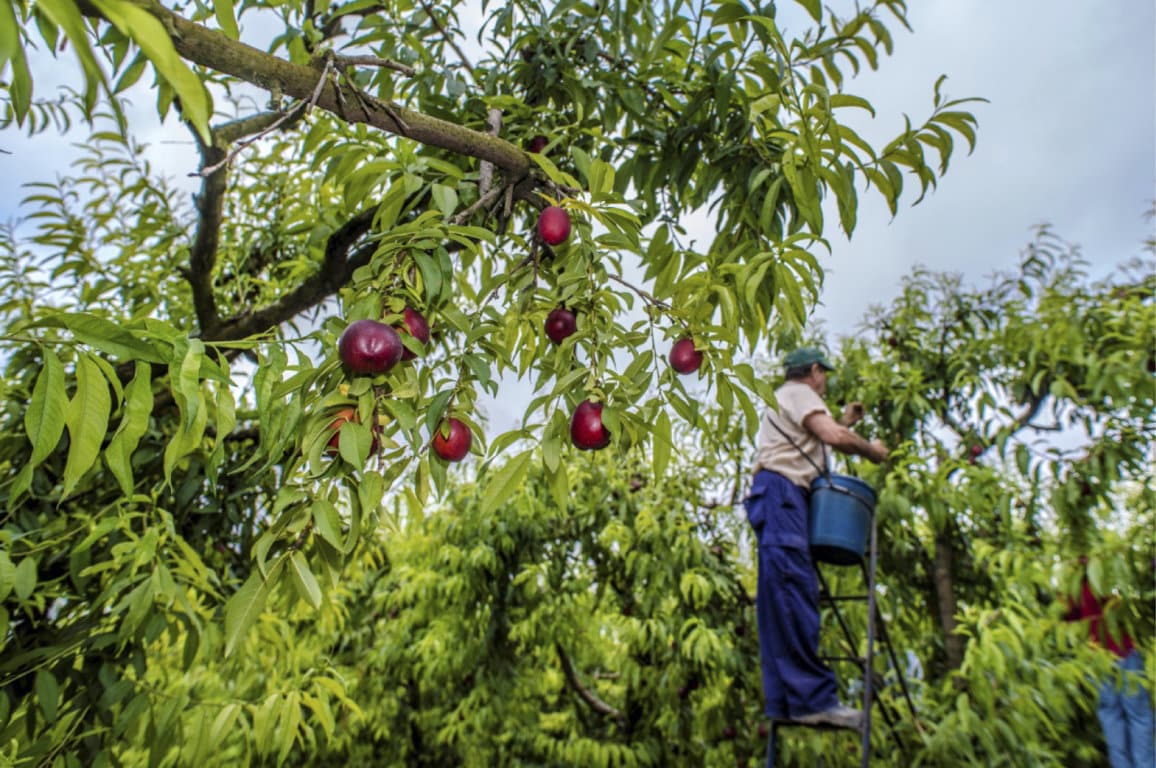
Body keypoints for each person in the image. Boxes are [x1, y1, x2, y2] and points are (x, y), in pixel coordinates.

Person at [744, 347, 889, 729]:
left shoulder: (786, 400)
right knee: (794, 594)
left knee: (782, 599)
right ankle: (812, 699)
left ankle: (789, 701)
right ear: (812, 371)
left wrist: (844, 420)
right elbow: (833, 436)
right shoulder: (798, 392)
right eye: (823, 375)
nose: (824, 383)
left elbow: (818, 437)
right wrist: (871, 451)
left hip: (778, 497)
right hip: (783, 496)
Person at [1065, 566, 1155, 768]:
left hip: (1100, 658)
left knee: (1113, 717)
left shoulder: (1075, 582)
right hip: (1121, 653)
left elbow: (1070, 619)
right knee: (1136, 716)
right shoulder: (1107, 572)